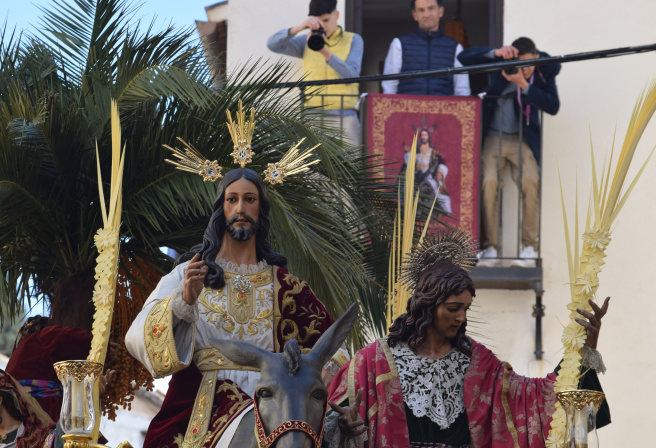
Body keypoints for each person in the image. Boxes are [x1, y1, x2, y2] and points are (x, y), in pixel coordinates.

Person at [324, 233, 610, 448]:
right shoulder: (372, 363)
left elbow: (535, 400)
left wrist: (583, 348)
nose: (461, 317)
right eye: (452, 308)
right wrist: (343, 427)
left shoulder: (478, 363)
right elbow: (321, 425)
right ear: (427, 306)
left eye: (465, 308)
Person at [125, 166, 335, 448]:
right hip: (202, 408)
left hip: (275, 406)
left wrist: (329, 371)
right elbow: (137, 337)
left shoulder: (288, 287)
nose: (240, 208)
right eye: (232, 199)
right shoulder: (189, 274)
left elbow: (333, 347)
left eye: (250, 199)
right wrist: (183, 303)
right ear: (220, 208)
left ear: (261, 209)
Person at [458, 37, 560, 267]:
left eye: (529, 65)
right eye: (520, 65)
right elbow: (463, 58)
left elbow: (553, 106)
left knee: (531, 180)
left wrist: (524, 85)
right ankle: (490, 248)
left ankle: (529, 249)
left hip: (522, 137)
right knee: (488, 183)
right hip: (493, 137)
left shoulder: (545, 70)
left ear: (536, 57)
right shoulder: (502, 65)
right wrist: (495, 52)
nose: (524, 70)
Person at [267, 0, 363, 146]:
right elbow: (273, 44)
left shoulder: (353, 40)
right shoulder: (307, 41)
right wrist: (299, 28)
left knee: (350, 166)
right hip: (313, 116)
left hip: (345, 116)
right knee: (314, 167)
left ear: (336, 15)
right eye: (318, 21)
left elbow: (351, 76)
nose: (323, 25)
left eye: (326, 20)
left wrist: (323, 51)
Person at [5, 315, 93, 423]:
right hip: (41, 408)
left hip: (13, 412)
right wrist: (97, 343)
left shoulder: (18, 351)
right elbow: (68, 337)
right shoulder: (40, 337)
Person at [381, 0, 470, 97]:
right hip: (406, 110)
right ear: (414, 15)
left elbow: (462, 91)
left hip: (444, 110)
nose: (426, 14)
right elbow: (389, 88)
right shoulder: (399, 44)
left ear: (441, 11)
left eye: (431, 8)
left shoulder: (455, 47)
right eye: (421, 10)